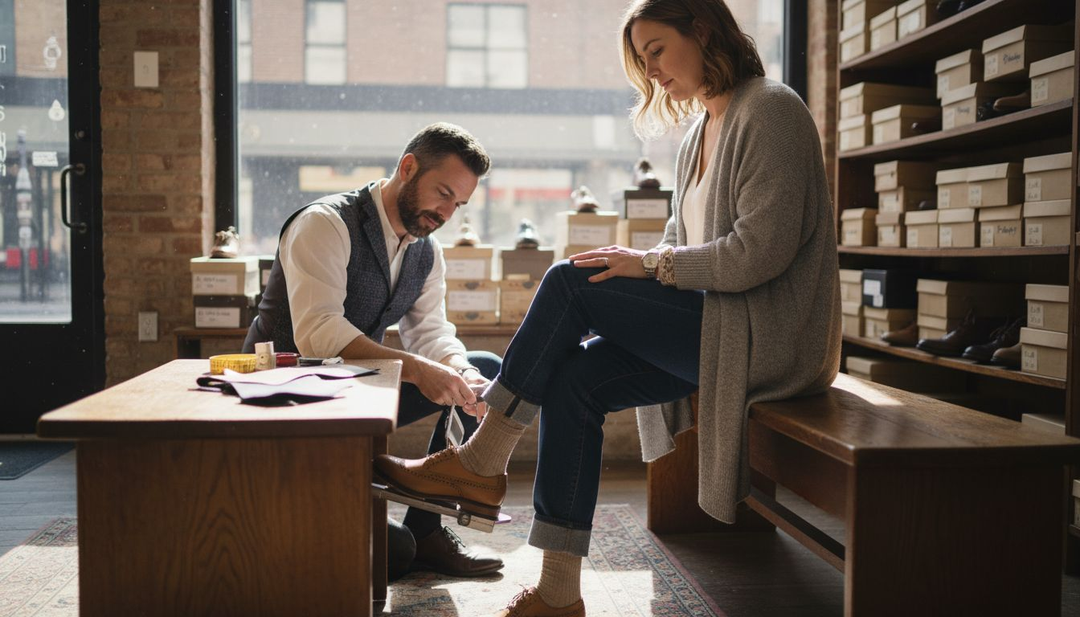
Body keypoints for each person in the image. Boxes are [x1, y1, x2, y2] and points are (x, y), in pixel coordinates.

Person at [374, 0, 841, 613]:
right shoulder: (702, 129)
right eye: (641, 60)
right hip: (715, 326)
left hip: (767, 341)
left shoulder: (771, 110)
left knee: (571, 281)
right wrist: (652, 263)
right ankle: (559, 594)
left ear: (701, 30)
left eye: (656, 52)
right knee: (575, 380)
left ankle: (482, 458)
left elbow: (759, 254)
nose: (651, 73)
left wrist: (645, 265)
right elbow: (685, 244)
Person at [243, 122, 505, 580]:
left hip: (353, 396)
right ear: (408, 168)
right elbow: (319, 335)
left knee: (484, 368)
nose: (446, 213)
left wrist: (458, 370)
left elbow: (431, 332)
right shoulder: (324, 223)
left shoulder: (427, 251)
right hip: (283, 402)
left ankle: (426, 530)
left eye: (458, 204)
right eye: (442, 194)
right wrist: (420, 371)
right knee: (391, 555)